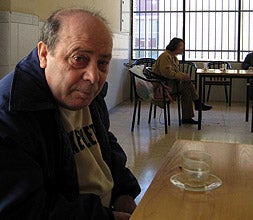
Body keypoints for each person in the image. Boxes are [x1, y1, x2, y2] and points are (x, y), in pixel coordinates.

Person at [0, 8, 140, 220]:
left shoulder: (87, 93)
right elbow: (26, 210)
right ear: (44, 54)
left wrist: (124, 192)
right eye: (79, 59)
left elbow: (104, 142)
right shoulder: (11, 114)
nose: (94, 77)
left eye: (102, 63)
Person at [152, 37, 212, 124]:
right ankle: (197, 103)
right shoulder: (165, 56)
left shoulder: (174, 58)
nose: (183, 48)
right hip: (162, 87)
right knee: (187, 84)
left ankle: (188, 116)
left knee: (186, 88)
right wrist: (183, 76)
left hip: (169, 84)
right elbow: (167, 73)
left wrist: (183, 76)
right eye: (181, 46)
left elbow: (175, 73)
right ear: (175, 46)